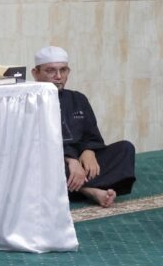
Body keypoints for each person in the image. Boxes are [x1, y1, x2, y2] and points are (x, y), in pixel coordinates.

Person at [32, 46, 135, 207]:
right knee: (39, 166)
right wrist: (70, 160)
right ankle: (89, 190)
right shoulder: (30, 102)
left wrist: (89, 151)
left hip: (80, 160)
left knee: (125, 149)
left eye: (63, 70)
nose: (58, 76)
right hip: (54, 161)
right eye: (50, 71)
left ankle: (73, 187)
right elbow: (38, 143)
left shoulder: (78, 98)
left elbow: (92, 135)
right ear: (35, 73)